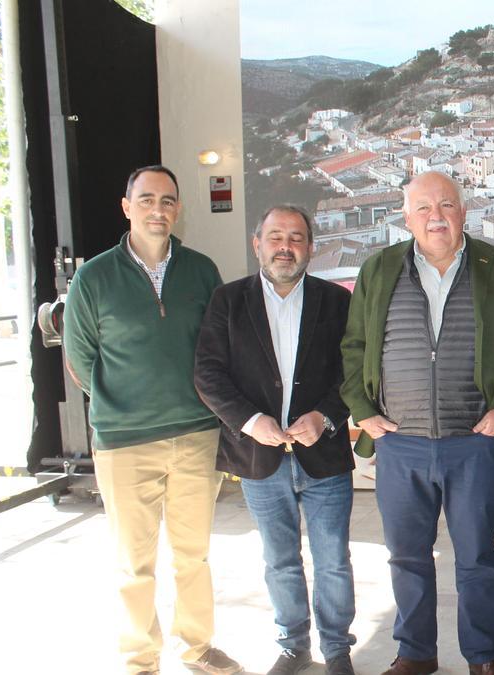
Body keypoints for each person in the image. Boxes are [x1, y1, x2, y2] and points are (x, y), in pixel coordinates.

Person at [340, 171, 494, 675]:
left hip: (475, 442)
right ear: (406, 217)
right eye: (423, 207)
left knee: (478, 560)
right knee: (407, 558)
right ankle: (416, 653)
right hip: (401, 445)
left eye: (446, 204)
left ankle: (484, 657)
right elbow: (354, 346)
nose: (436, 216)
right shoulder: (379, 269)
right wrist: (363, 411)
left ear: (464, 211)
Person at [61, 165, 242, 675]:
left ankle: (198, 648)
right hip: (125, 441)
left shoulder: (202, 270)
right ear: (127, 207)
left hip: (196, 435)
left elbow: (218, 349)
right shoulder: (94, 277)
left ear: (177, 208)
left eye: (167, 200)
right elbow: (80, 360)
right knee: (133, 564)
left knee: (194, 556)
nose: (157, 209)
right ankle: (140, 660)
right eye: (146, 200)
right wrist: (124, 405)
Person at [194, 205, 356, 675]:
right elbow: (207, 373)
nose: (286, 247)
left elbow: (355, 370)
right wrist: (248, 420)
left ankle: (337, 649)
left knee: (333, 562)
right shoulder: (227, 301)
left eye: (297, 238)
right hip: (258, 458)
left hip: (323, 456)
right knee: (279, 561)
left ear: (310, 246)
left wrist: (326, 416)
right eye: (276, 237)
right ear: (257, 244)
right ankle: (294, 646)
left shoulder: (336, 301)